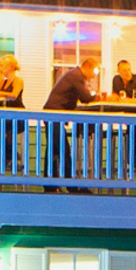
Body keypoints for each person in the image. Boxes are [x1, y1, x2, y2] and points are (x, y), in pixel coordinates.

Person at [43, 56, 100, 184]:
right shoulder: (76, 76)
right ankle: (70, 184)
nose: (93, 76)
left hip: (53, 115)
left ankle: (50, 184)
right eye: (93, 72)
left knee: (53, 149)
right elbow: (85, 97)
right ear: (87, 67)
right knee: (62, 149)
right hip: (55, 115)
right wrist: (98, 96)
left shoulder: (73, 75)